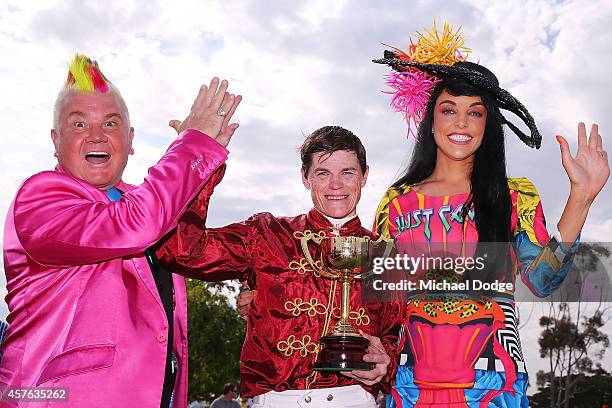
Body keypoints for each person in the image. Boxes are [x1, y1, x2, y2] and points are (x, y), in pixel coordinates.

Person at [371, 22, 609, 406]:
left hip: (493, 386)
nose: (461, 122)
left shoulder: (515, 195)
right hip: (412, 385)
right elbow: (377, 298)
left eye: (476, 113)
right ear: (431, 121)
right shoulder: (397, 202)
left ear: (489, 126)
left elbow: (544, 280)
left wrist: (580, 197)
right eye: (449, 110)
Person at [0, 54, 241, 407]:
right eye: (79, 125)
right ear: (55, 139)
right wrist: (190, 147)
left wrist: (199, 162)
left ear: (130, 140)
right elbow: (138, 223)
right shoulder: (40, 197)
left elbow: (180, 243)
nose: (96, 135)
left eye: (111, 124)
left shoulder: (140, 203)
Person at [156, 126, 403, 407]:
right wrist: (197, 157)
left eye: (347, 172)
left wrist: (387, 364)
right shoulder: (267, 234)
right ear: (305, 178)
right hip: (276, 399)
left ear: (364, 175)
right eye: (323, 173)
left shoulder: (386, 256)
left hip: (355, 400)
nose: (336, 185)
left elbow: (397, 338)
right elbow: (183, 251)